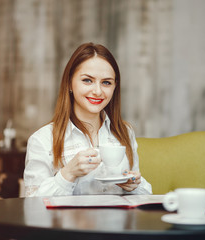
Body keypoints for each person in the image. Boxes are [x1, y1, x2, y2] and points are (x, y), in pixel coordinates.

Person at [24, 42, 152, 196]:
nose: (98, 91)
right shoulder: (42, 140)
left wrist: (134, 186)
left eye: (106, 82)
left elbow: (143, 198)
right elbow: (32, 205)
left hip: (116, 219)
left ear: (114, 86)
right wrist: (68, 174)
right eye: (87, 80)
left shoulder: (124, 132)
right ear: (70, 83)